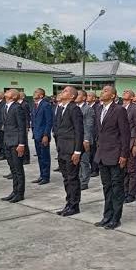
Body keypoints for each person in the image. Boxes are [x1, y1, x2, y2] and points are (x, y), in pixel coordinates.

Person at [94, 85, 130, 229]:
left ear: (114, 96)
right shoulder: (98, 109)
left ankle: (116, 218)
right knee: (106, 187)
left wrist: (124, 155)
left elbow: (125, 134)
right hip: (102, 155)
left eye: (106, 91)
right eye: (102, 90)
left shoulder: (119, 110)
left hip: (115, 155)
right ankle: (106, 216)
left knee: (116, 188)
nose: (102, 92)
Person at [54, 86, 84, 216]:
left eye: (66, 91)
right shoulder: (61, 108)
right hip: (62, 148)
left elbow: (79, 131)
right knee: (66, 178)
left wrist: (77, 151)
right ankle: (68, 203)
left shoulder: (74, 109)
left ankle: (74, 205)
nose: (62, 92)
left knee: (72, 178)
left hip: (71, 149)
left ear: (72, 96)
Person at [0, 89, 27, 203]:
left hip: (16, 142)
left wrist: (21, 144)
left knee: (18, 169)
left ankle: (20, 193)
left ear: (14, 96)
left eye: (10, 91)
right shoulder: (5, 107)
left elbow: (21, 127)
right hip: (7, 141)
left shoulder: (17, 107)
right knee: (13, 169)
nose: (7, 92)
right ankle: (14, 191)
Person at [122, 90, 136, 204]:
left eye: (127, 92)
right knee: (123, 169)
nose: (124, 92)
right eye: (124, 91)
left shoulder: (135, 109)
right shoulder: (120, 107)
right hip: (121, 143)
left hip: (131, 141)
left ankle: (131, 193)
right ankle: (124, 191)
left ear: (132, 97)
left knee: (132, 170)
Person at [30, 88, 53, 185]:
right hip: (36, 134)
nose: (34, 93)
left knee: (45, 156)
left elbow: (49, 121)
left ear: (41, 95)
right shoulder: (35, 105)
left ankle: (46, 176)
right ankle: (41, 175)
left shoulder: (46, 105)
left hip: (43, 135)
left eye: (36, 92)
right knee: (39, 156)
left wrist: (46, 135)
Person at [86, 91, 101, 177]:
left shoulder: (97, 107)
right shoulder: (87, 107)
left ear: (94, 98)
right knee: (89, 152)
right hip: (88, 133)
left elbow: (97, 122)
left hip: (94, 133)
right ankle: (91, 168)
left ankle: (95, 169)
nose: (87, 97)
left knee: (94, 152)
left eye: (89, 96)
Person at [18, 92, 32, 165]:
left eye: (19, 94)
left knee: (24, 142)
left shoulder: (25, 104)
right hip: (19, 126)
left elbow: (27, 116)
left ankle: (26, 158)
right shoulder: (17, 103)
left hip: (24, 125)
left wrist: (27, 126)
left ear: (23, 97)